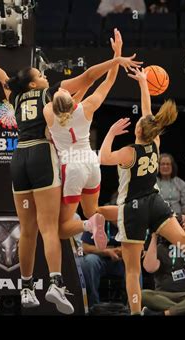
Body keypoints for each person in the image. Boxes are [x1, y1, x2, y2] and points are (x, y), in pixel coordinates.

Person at [0, 33, 141, 314]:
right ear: (34, 83)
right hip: (44, 156)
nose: (45, 75)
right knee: (50, 228)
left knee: (26, 230)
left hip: (19, 159)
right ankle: (55, 282)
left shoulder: (15, 96)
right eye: (40, 74)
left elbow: (4, 77)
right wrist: (115, 59)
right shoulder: (49, 96)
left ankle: (26, 287)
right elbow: (88, 78)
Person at [99, 67, 185, 315]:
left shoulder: (129, 152)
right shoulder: (155, 144)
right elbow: (148, 114)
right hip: (156, 201)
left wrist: (111, 133)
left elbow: (104, 158)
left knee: (132, 269)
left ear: (137, 131)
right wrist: (144, 85)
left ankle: (136, 313)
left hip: (133, 208)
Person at [44, 29, 140, 249]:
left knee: (61, 227)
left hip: (73, 166)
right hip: (91, 161)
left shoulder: (48, 113)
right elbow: (107, 81)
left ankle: (88, 226)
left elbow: (71, 96)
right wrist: (117, 55)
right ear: (71, 100)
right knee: (93, 209)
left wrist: (79, 87)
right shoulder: (87, 108)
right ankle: (135, 214)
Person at [80, 220, 125, 308]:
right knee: (89, 260)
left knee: (134, 263)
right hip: (100, 260)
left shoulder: (131, 220)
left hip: (122, 260)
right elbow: (85, 247)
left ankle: (133, 306)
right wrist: (107, 251)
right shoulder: (97, 220)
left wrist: (122, 250)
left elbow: (140, 246)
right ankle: (93, 305)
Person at [157, 153, 185, 220]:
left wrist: (182, 217)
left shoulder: (180, 183)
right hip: (157, 219)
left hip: (177, 219)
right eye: (162, 164)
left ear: (172, 166)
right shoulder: (153, 183)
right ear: (158, 167)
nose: (165, 166)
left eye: (168, 164)